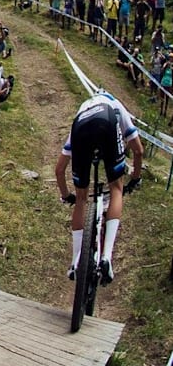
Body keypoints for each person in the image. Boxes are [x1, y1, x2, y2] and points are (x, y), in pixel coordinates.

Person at [54, 91, 144, 283]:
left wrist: (66, 195)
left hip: (80, 128)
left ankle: (75, 261)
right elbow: (138, 150)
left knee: (81, 199)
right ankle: (106, 258)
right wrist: (135, 179)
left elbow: (59, 169)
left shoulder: (83, 109)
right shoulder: (115, 103)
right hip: (107, 121)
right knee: (116, 189)